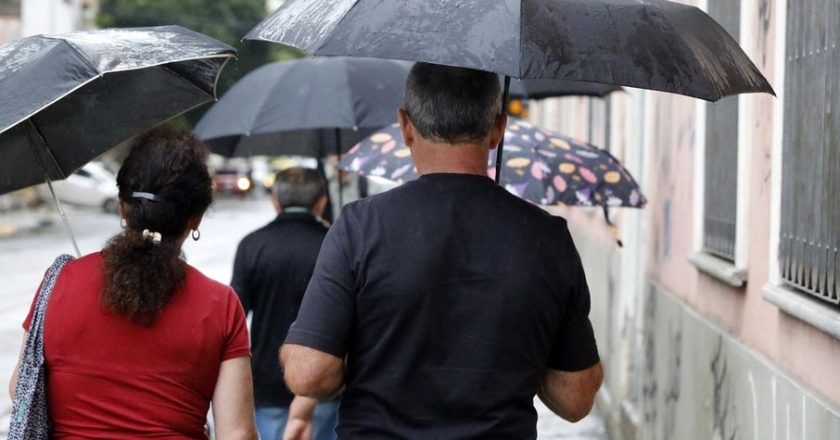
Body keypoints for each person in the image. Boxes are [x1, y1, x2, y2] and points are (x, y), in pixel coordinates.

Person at [279, 63, 604, 439]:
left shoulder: (359, 226)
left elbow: (309, 373)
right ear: (498, 128)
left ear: (405, 125)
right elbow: (576, 398)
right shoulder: (547, 236)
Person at [9, 127, 257, 439]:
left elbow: (20, 386)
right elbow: (238, 433)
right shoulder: (220, 304)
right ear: (196, 218)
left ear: (122, 207)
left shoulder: (59, 281)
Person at [231, 167, 337, 440]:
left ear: (275, 200)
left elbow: (235, 315)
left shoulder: (252, 245)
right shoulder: (335, 245)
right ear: (321, 202)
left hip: (267, 379)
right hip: (322, 381)